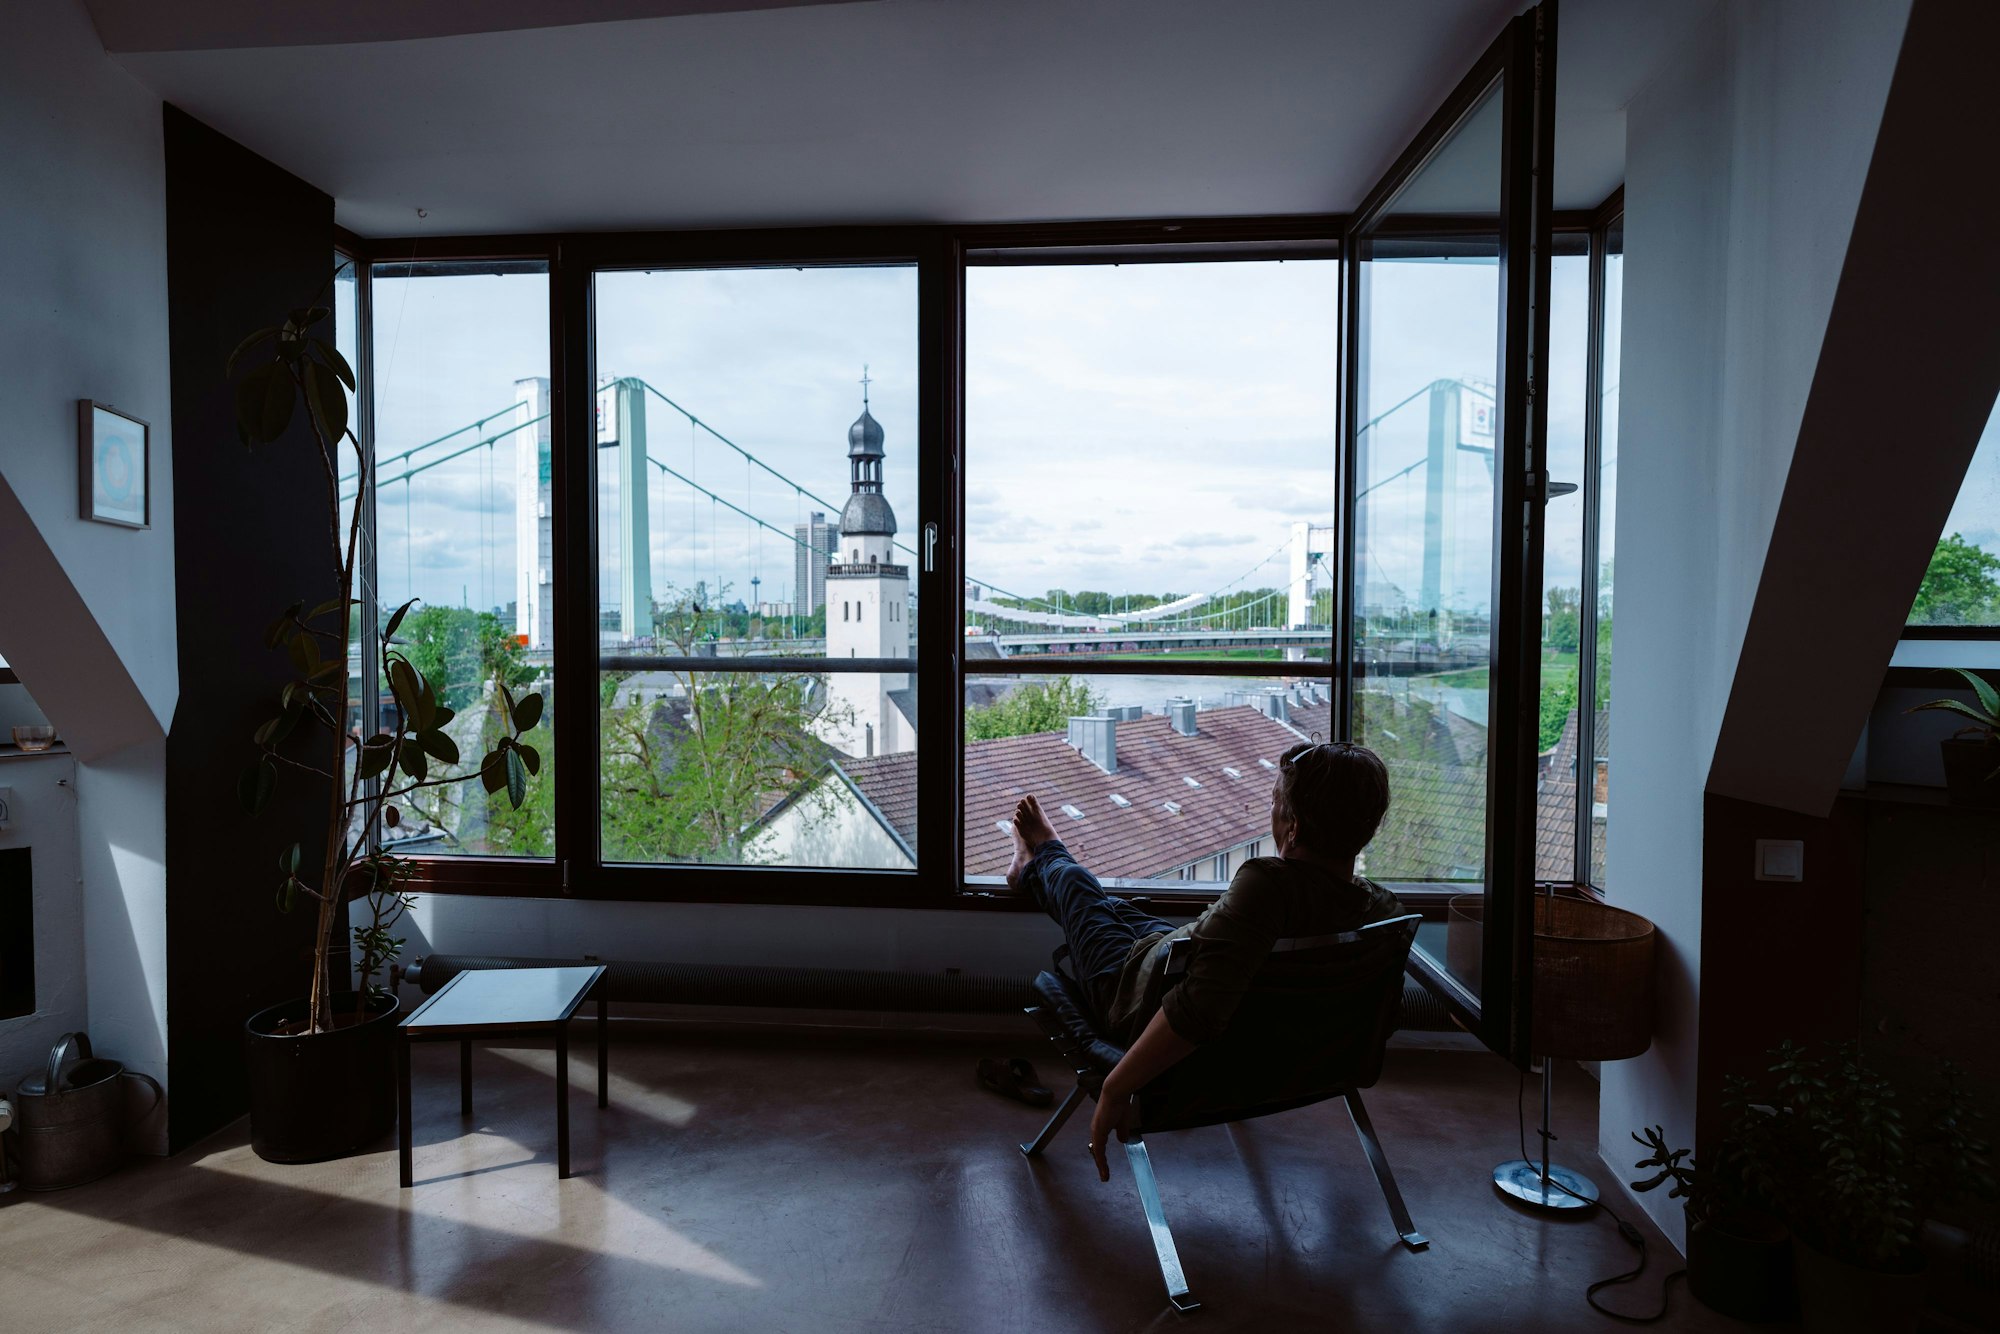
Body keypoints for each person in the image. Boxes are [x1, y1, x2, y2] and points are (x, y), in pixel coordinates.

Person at [1005, 739, 1404, 1182]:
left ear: (1292, 828)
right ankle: (1043, 870)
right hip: (1271, 1045)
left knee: (1079, 887)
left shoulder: (1267, 890)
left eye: (1274, 804)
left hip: (1131, 998)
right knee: (1113, 909)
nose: (1270, 813)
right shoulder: (1382, 910)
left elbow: (1197, 1012)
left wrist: (1117, 1085)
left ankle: (1043, 854)